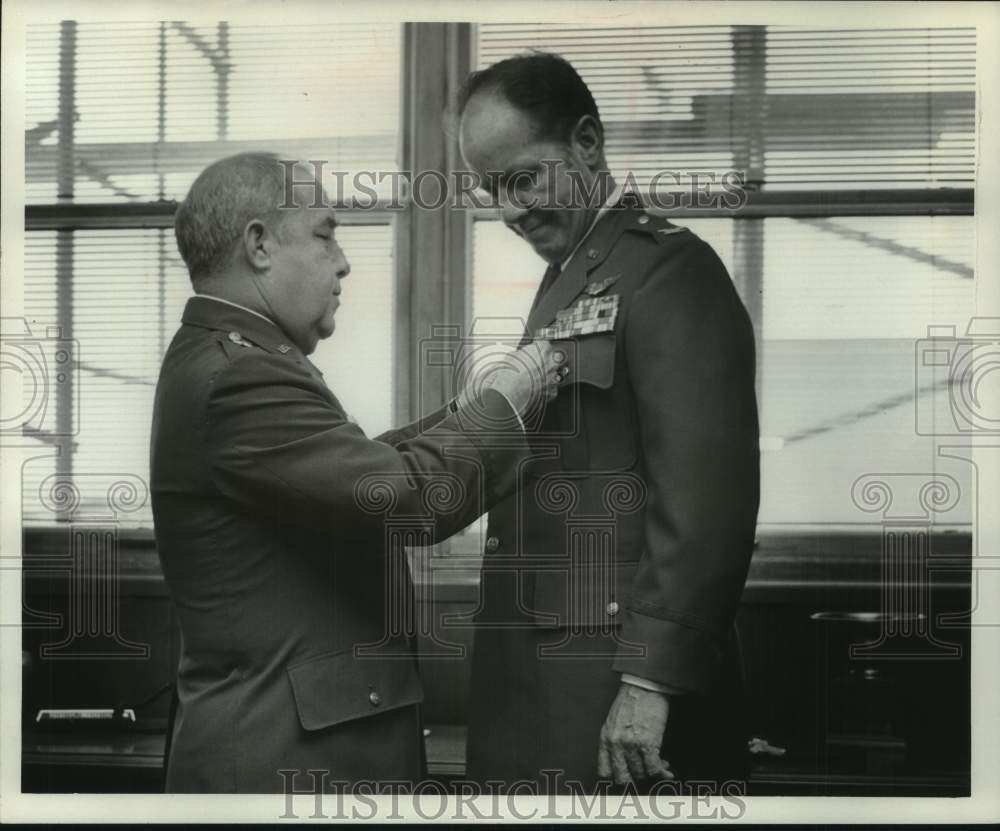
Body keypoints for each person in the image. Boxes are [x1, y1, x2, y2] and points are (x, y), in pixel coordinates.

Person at [150, 152, 561, 793]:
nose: (342, 261)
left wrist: (476, 410)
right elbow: (402, 498)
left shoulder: (236, 358)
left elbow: (362, 467)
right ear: (259, 245)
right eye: (324, 233)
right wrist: (506, 402)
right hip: (286, 764)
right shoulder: (242, 374)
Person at [456, 53, 760, 790]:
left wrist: (651, 683)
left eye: (523, 178)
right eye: (492, 189)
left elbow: (707, 504)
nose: (510, 210)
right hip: (536, 681)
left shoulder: (668, 272)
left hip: (612, 688)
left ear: (587, 144)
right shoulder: (572, 282)